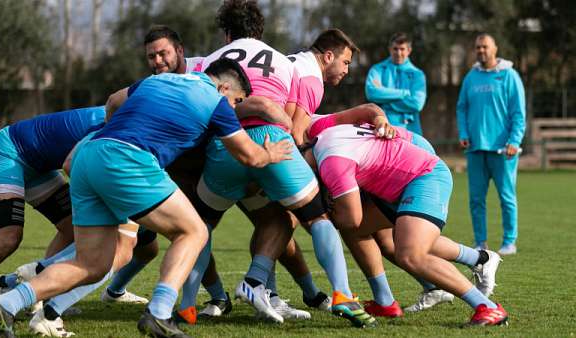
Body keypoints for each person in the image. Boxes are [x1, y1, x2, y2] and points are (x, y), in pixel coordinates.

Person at [0, 59, 293, 338]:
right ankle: (158, 313)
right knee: (194, 231)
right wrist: (271, 153)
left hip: (88, 156)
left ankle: (6, 303)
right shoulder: (216, 102)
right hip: (127, 159)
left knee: (93, 263)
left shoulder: (157, 80)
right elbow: (250, 157)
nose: (235, 108)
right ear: (224, 86)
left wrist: (118, 127)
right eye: (237, 101)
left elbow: (114, 101)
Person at [192, 0, 377, 327]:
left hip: (227, 144)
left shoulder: (209, 60)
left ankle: (186, 305)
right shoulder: (284, 61)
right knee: (316, 217)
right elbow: (290, 121)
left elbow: (200, 108)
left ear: (226, 33)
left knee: (198, 228)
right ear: (260, 30)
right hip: (273, 142)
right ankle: (343, 296)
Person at [303, 104, 509, 326]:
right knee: (361, 233)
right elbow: (369, 109)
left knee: (410, 254)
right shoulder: (320, 131)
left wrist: (323, 215)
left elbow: (351, 216)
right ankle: (386, 302)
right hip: (403, 178)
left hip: (424, 176)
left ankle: (488, 307)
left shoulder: (331, 162)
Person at [0, 106, 106, 294]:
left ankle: (37, 293)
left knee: (73, 229)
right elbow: (73, 166)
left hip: (38, 164)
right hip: (6, 151)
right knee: (7, 238)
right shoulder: (122, 121)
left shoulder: (132, 115)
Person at [456, 33, 526, 255]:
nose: (481, 51)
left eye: (485, 47)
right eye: (478, 47)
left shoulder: (509, 75)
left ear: (495, 48)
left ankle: (509, 242)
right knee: (476, 199)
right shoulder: (471, 77)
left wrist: (514, 141)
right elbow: (462, 107)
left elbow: (518, 113)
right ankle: (480, 242)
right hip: (475, 148)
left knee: (507, 197)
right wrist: (464, 132)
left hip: (503, 149)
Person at [364, 32, 426, 134]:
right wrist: (404, 93)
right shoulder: (377, 69)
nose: (398, 53)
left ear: (409, 50)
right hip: (381, 128)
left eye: (402, 49)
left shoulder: (418, 74)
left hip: (410, 130)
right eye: (395, 49)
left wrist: (384, 98)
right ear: (389, 49)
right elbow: (371, 93)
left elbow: (417, 104)